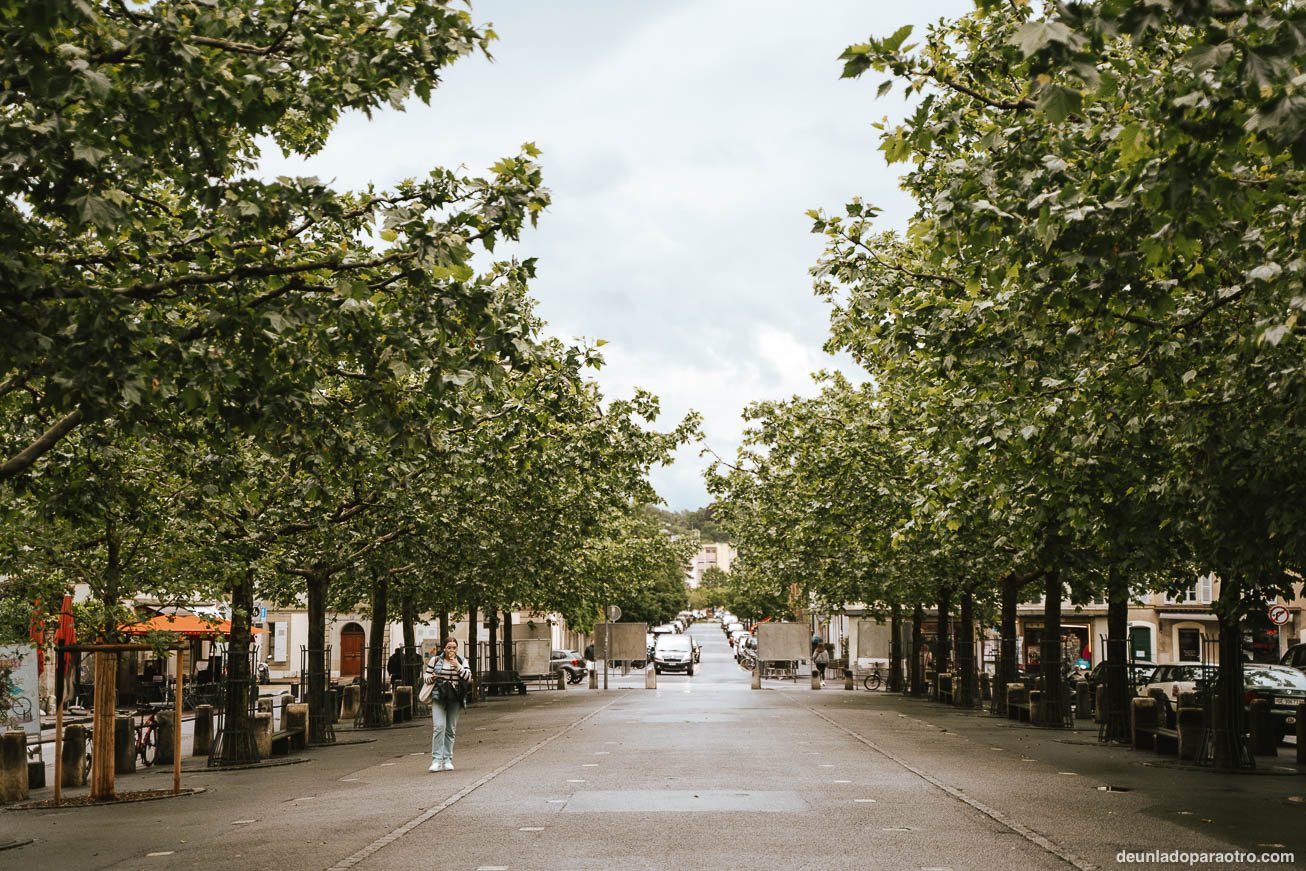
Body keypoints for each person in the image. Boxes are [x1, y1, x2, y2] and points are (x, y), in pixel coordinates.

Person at [425, 637, 471, 772]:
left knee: (450, 729)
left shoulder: (462, 661)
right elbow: (426, 677)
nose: (451, 650)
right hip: (439, 696)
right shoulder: (436, 660)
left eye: (454, 647)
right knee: (439, 727)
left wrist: (457, 666)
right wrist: (432, 677)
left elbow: (468, 677)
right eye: (449, 647)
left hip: (455, 698)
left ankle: (447, 759)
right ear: (444, 648)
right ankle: (436, 760)